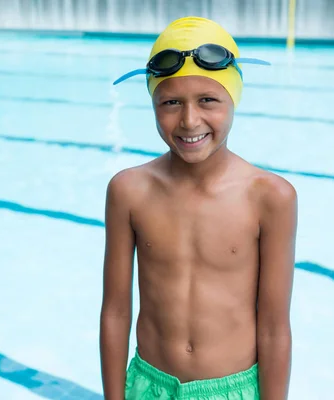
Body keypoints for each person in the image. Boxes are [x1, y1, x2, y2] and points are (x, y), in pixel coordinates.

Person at [99, 16, 297, 400]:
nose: (189, 121)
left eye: (208, 100)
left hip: (234, 389)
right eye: (171, 103)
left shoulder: (270, 197)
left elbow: (274, 328)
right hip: (148, 385)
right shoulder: (128, 191)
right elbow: (115, 312)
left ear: (233, 99)